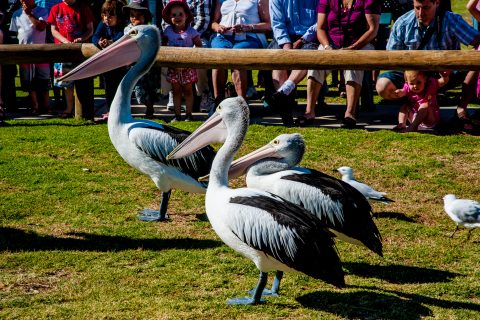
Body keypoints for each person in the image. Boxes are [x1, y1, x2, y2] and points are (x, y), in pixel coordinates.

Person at [376, 0, 480, 133]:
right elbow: (392, 58)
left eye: (425, 8)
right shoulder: (403, 22)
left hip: (445, 74)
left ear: (437, 3)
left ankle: (461, 108)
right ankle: (412, 103)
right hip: (412, 75)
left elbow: (477, 41)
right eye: (417, 8)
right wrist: (409, 75)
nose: (420, 13)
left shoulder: (451, 20)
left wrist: (454, 62)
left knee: (475, 63)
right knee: (383, 86)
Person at [296, 0, 381, 128]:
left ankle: (350, 113)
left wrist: (353, 47)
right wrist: (327, 47)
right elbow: (320, 28)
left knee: (352, 61)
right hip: (331, 44)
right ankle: (309, 111)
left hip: (361, 44)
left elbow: (372, 30)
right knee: (317, 62)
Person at [266, 0, 319, 125]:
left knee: (307, 56)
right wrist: (287, 45)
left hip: (308, 37)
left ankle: (283, 93)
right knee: (279, 59)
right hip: (283, 37)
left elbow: (319, 22)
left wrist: (302, 39)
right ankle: (285, 104)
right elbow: (277, 24)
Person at [210, 0, 270, 103]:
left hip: (249, 37)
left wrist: (249, 27)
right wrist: (218, 27)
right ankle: (218, 102)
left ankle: (241, 103)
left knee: (237, 55)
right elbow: (213, 23)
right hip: (223, 37)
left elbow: (268, 24)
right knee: (218, 55)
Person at [162, 0, 215, 113]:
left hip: (196, 36)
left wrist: (188, 34)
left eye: (180, 14)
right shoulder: (168, 29)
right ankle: (171, 90)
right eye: (175, 15)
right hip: (173, 42)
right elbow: (164, 23)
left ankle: (203, 92)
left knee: (200, 53)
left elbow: (203, 20)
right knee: (163, 55)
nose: (177, 17)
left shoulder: (192, 30)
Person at [48, 0, 95, 119]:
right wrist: (65, 41)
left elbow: (90, 29)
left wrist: (82, 38)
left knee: (83, 81)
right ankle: (69, 108)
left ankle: (84, 111)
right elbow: (53, 30)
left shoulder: (84, 8)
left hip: (81, 51)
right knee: (66, 83)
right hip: (63, 51)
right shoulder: (56, 8)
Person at [9, 0, 50, 115]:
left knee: (43, 80)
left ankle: (46, 105)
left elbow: (41, 27)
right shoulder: (16, 14)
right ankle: (35, 106)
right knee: (29, 82)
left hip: (41, 53)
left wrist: (29, 14)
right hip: (25, 53)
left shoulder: (42, 11)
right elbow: (14, 34)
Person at [92, 0, 127, 120]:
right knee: (109, 88)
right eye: (104, 15)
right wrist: (99, 42)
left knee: (121, 88)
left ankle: (121, 110)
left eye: (111, 16)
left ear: (119, 17)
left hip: (121, 64)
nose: (107, 18)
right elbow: (95, 36)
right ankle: (110, 110)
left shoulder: (123, 26)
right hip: (108, 64)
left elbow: (121, 36)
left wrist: (110, 42)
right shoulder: (102, 25)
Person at [123, 0, 157, 118]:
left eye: (138, 15)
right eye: (132, 15)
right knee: (137, 88)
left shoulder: (150, 29)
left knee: (150, 87)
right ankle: (133, 109)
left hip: (149, 64)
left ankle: (150, 108)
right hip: (134, 64)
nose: (134, 18)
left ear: (145, 16)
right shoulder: (127, 29)